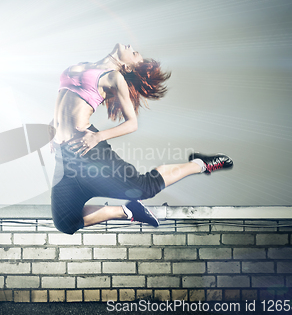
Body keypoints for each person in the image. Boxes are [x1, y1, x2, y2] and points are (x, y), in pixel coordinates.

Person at [50, 43, 233, 235]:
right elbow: (66, 102)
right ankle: (127, 211)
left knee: (144, 187)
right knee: (65, 222)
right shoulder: (84, 64)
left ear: (127, 68)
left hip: (88, 150)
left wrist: (99, 136)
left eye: (136, 54)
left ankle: (201, 164)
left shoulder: (114, 77)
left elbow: (132, 123)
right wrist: (53, 128)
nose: (133, 48)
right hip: (65, 154)